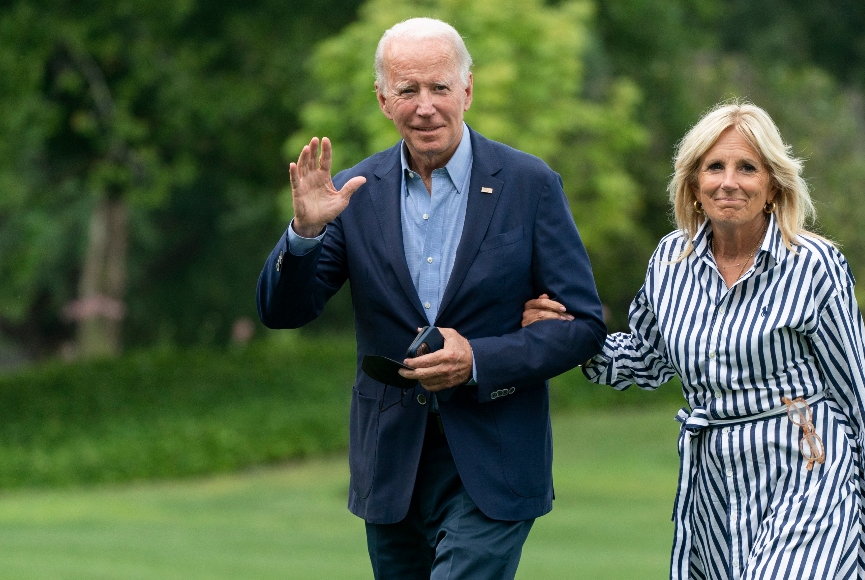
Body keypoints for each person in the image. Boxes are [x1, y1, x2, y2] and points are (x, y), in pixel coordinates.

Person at [256, 17, 605, 580]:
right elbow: (282, 312)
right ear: (382, 100)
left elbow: (583, 325)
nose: (425, 107)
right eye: (408, 90)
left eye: (439, 87)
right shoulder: (352, 194)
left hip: (494, 456)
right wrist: (305, 233)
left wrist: (478, 359)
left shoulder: (529, 184)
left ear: (467, 89)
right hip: (391, 464)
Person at [523, 101, 865, 580]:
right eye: (714, 167)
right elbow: (646, 359)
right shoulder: (670, 260)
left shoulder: (814, 265)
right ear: (693, 185)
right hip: (713, 487)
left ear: (773, 186)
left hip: (810, 472)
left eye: (747, 168)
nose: (729, 182)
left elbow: (859, 389)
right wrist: (565, 334)